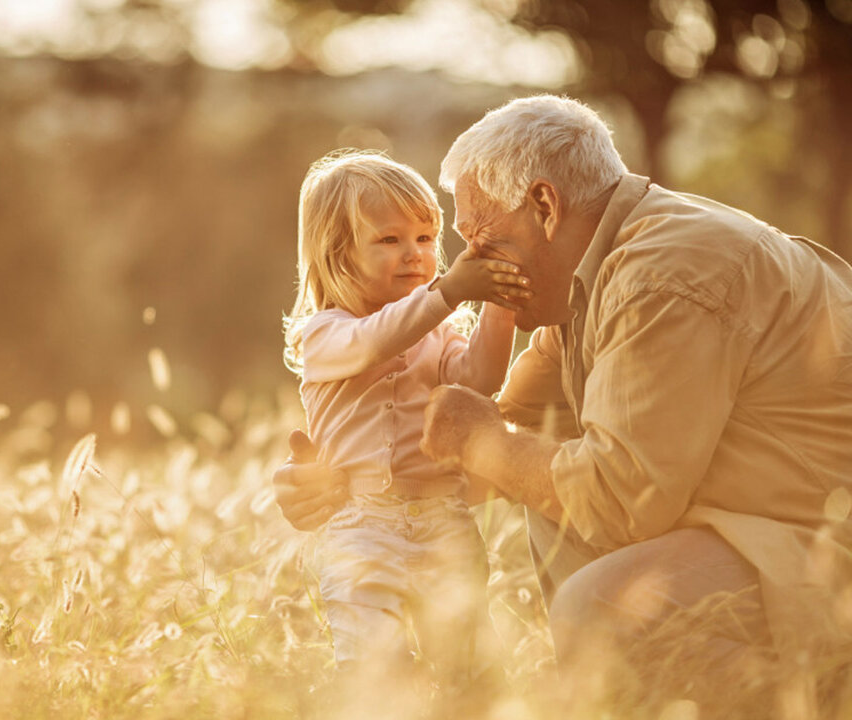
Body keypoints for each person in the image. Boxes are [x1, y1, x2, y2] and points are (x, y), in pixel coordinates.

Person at [276, 97, 852, 709]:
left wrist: (478, 440)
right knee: (548, 493)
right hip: (765, 530)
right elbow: (501, 432)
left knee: (600, 605)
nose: (472, 262)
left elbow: (611, 496)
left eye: (479, 238)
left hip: (822, 545)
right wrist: (351, 480)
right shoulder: (591, 280)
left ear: (544, 207)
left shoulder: (661, 278)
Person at [283, 149, 531, 710]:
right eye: (389, 240)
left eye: (424, 237)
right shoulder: (323, 333)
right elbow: (373, 342)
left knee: (471, 669)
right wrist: (447, 293)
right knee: (375, 669)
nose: (415, 255)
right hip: (362, 526)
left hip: (445, 519)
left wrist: (498, 305)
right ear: (338, 254)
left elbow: (479, 379)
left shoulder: (439, 333)